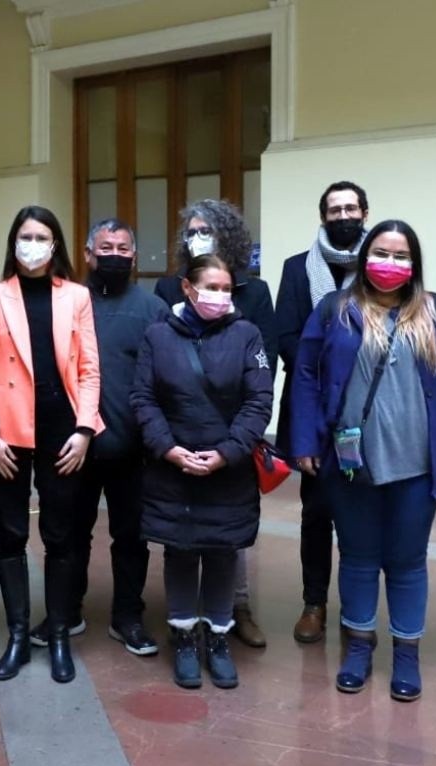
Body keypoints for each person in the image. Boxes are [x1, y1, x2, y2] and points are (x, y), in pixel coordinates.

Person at [289, 220, 436, 702]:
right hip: (351, 461)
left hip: (417, 464)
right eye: (381, 253)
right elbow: (305, 375)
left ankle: (407, 654)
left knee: (408, 560)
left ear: (414, 263)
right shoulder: (335, 310)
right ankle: (358, 647)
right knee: (357, 556)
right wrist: (304, 441)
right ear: (364, 258)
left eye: (400, 255)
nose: (389, 263)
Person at [0, 205, 103, 684]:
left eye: (41, 237)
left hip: (63, 431)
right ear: (14, 242)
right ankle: (18, 636)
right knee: (10, 534)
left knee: (60, 534)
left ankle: (60, 635)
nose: (32, 245)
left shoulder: (77, 296)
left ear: (55, 244)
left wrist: (85, 430)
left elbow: (89, 370)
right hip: (6, 433)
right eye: (25, 236)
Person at [133, 254, 274, 689]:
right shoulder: (158, 335)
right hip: (172, 467)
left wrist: (227, 452)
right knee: (179, 550)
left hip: (228, 469)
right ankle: (183, 638)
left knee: (222, 550)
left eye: (226, 288)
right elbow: (143, 398)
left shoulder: (247, 334)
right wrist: (168, 449)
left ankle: (217, 638)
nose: (220, 296)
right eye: (211, 287)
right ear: (187, 288)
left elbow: (259, 400)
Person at [41, 218, 167, 657]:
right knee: (69, 535)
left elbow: (163, 379)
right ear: (88, 253)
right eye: (105, 247)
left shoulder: (152, 309)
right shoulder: (64, 302)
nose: (114, 255)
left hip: (132, 449)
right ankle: (65, 611)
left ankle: (128, 616)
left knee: (131, 537)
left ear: (134, 256)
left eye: (122, 248)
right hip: (71, 447)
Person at [154, 199, 275, 648]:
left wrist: (234, 438)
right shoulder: (167, 288)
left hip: (232, 431)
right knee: (182, 531)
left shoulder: (253, 292)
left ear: (227, 236)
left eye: (206, 230)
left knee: (229, 530)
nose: (197, 237)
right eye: (191, 231)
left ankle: (235, 609)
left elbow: (263, 364)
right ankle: (184, 620)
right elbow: (158, 362)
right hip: (180, 432)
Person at [275, 182, 370, 646]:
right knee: (316, 512)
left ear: (365, 212)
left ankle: (357, 608)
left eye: (351, 208)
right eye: (335, 210)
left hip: (366, 413)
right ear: (323, 216)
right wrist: (330, 368)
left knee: (360, 512)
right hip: (312, 410)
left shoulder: (380, 265)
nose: (343, 216)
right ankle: (314, 603)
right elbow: (287, 337)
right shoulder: (298, 268)